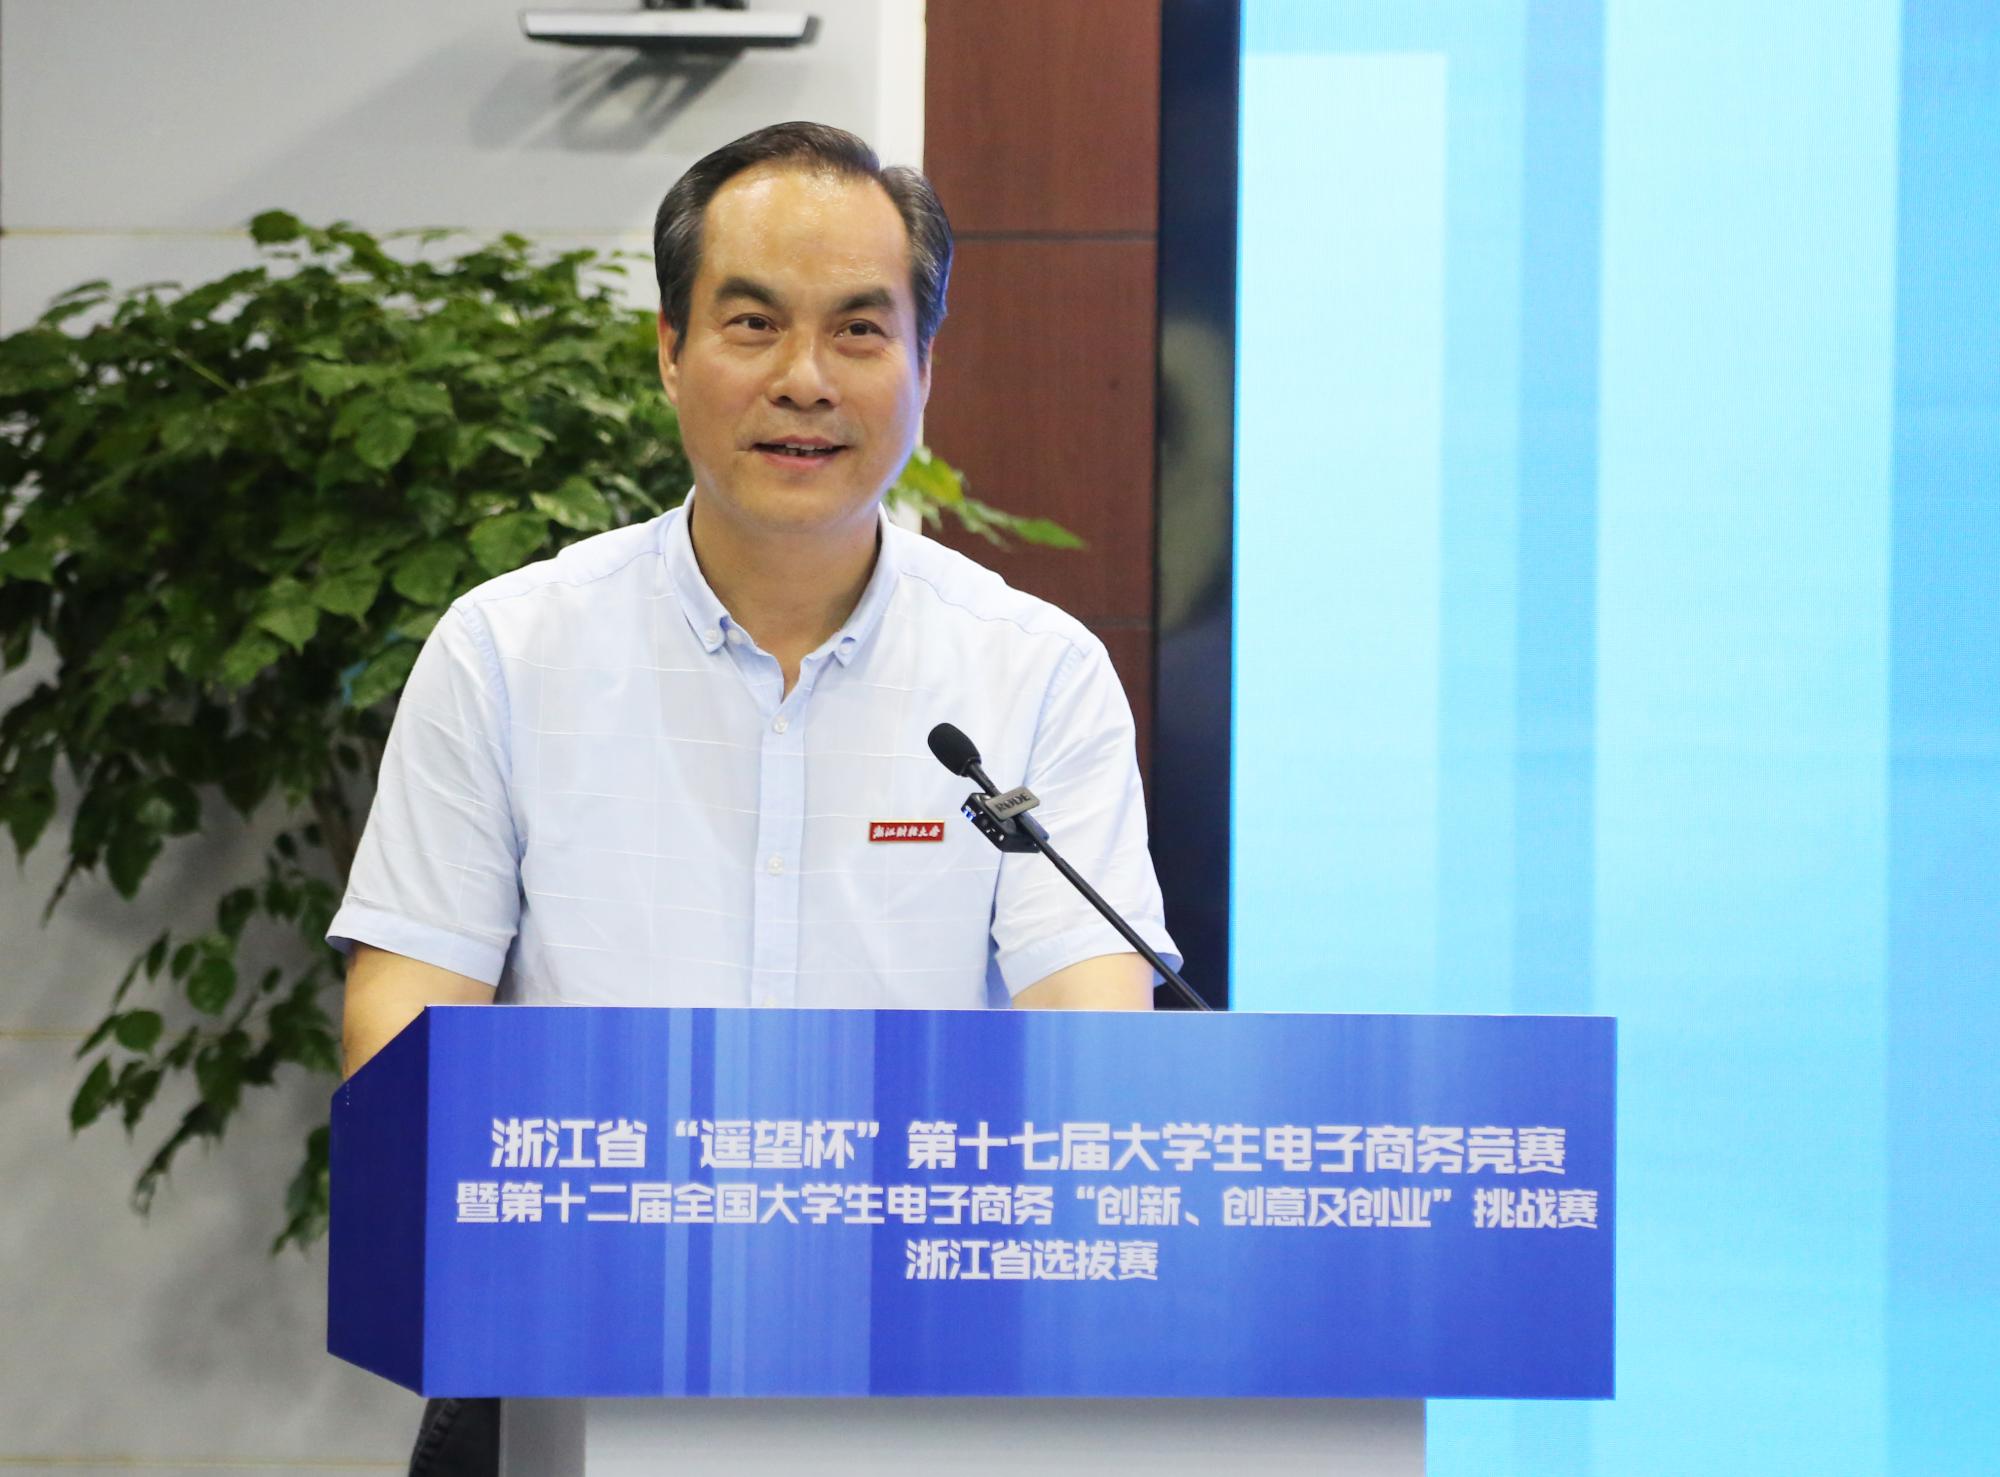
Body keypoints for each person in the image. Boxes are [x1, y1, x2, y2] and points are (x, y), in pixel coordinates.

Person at [327, 122, 1179, 1470]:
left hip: (920, 1376)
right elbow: (405, 1018)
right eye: (752, 323)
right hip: (571, 1356)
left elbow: (1092, 1053)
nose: (805, 381)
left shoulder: (1033, 673)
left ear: (925, 365)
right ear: (671, 351)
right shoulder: (509, 648)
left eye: (859, 330)